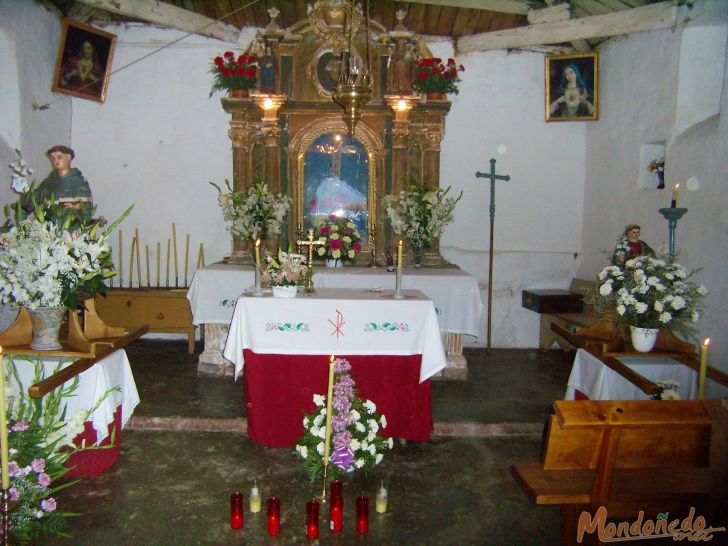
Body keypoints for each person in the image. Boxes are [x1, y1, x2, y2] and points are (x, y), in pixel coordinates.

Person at [26, 145, 93, 211]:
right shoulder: (48, 183)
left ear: (68, 157)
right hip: (49, 221)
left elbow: (87, 205)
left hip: (72, 220)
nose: (56, 161)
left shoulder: (79, 181)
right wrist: (25, 193)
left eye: (59, 157)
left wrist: (77, 207)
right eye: (53, 158)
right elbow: (31, 203)